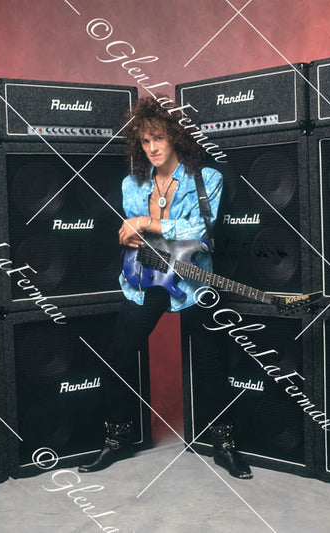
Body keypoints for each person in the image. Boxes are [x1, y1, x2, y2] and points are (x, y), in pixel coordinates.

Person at [79, 95, 252, 479]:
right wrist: (130, 233)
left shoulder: (207, 180)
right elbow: (135, 233)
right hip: (148, 281)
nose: (153, 148)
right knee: (117, 357)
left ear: (176, 137)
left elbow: (201, 233)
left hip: (194, 284)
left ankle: (224, 447)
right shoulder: (132, 184)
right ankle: (118, 437)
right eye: (144, 141)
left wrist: (147, 224)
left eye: (158, 138)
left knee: (210, 365)